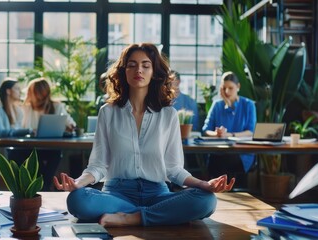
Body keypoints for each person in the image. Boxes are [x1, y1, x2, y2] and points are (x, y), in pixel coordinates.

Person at [53, 43, 235, 227]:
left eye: (145, 65)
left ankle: (132, 218)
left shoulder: (168, 114)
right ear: (124, 71)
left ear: (154, 72)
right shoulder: (108, 112)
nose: (138, 70)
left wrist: (204, 184)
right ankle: (156, 216)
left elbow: (174, 169)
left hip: (157, 194)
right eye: (131, 65)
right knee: (77, 200)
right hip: (116, 194)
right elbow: (98, 165)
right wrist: (78, 182)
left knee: (206, 200)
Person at [8, 77, 76, 190]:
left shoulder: (57, 106)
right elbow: (19, 128)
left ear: (39, 93)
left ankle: (43, 186)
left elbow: (72, 125)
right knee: (33, 157)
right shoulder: (25, 108)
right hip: (30, 148)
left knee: (56, 154)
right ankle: (43, 186)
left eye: (30, 91)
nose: (27, 94)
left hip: (51, 148)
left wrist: (69, 127)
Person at [201, 71, 256, 183]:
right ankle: (218, 192)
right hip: (219, 151)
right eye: (224, 88)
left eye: (230, 88)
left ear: (238, 87)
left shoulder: (248, 104)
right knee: (216, 158)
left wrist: (229, 135)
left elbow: (251, 131)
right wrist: (217, 134)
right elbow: (205, 130)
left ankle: (223, 192)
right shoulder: (217, 105)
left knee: (223, 160)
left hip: (241, 153)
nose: (227, 91)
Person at [0, 78, 32, 172]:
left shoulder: (17, 110)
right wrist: (27, 131)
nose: (20, 92)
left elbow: (16, 132)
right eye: (17, 89)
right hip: (3, 150)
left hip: (14, 148)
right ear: (8, 91)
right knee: (34, 156)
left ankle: (41, 185)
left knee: (43, 154)